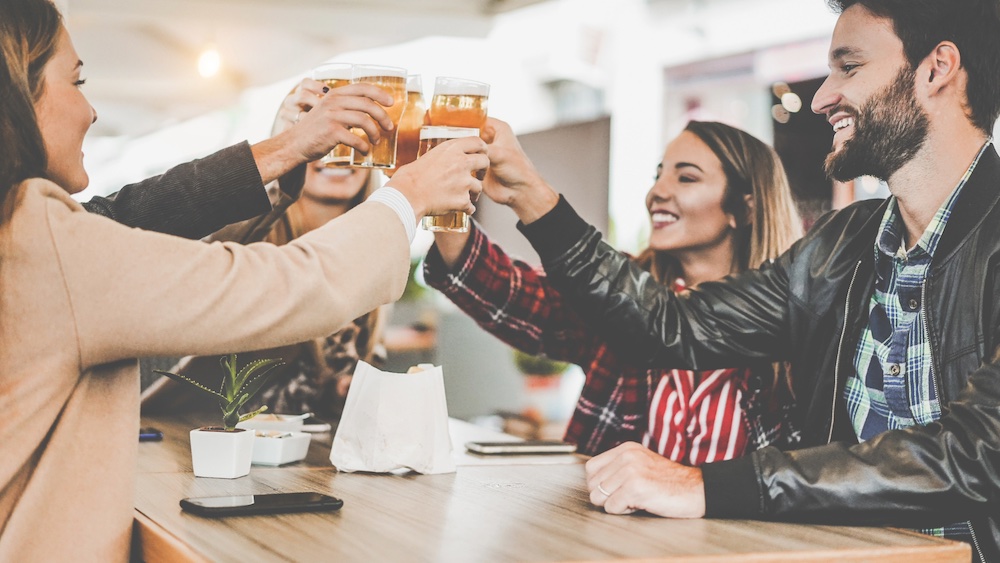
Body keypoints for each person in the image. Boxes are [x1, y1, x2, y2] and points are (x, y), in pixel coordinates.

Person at [479, 0, 1000, 559]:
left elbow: (979, 453)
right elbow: (671, 324)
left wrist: (708, 484)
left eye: (848, 67)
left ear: (937, 68)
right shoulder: (845, 243)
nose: (823, 97)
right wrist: (530, 196)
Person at [0, 2, 486, 560]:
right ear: (16, 94)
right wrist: (410, 197)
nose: (90, 110)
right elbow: (281, 285)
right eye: (76, 80)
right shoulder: (36, 234)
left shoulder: (29, 232)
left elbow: (122, 214)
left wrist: (286, 147)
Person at [424, 121, 803, 463]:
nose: (657, 192)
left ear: (746, 208)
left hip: (742, 541)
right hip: (612, 532)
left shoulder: (793, 312)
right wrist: (444, 200)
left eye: (685, 178)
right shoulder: (619, 291)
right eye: (659, 175)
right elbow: (510, 293)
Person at [142, 79, 390, 420]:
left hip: (309, 462)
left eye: (354, 138)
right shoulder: (254, 241)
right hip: (210, 447)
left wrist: (341, 391)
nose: (338, 154)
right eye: (328, 139)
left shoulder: (372, 259)